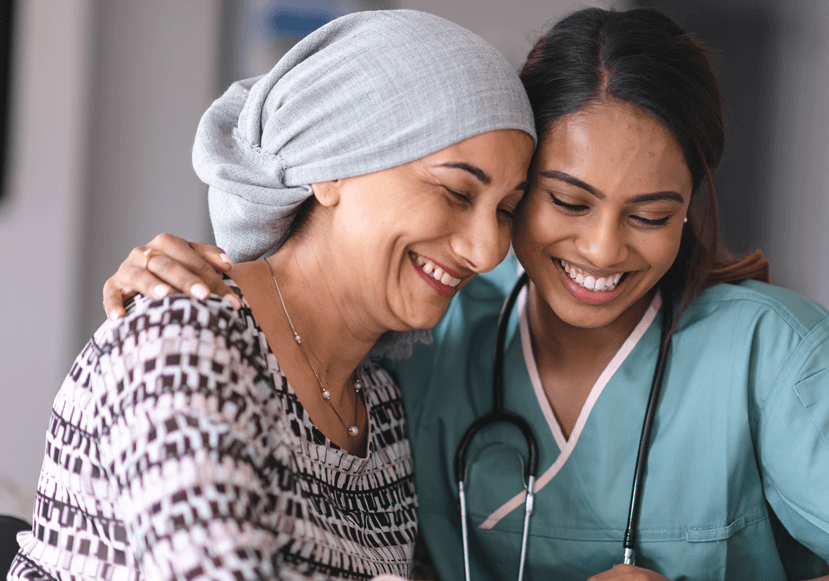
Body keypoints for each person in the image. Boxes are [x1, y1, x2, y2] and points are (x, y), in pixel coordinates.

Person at [98, 7, 829, 581]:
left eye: (651, 215)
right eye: (562, 201)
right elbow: (298, 320)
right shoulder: (429, 331)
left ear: (691, 211)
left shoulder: (771, 351)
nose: (601, 249)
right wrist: (203, 288)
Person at [9, 10, 535, 581]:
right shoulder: (185, 346)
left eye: (506, 210)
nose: (488, 251)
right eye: (457, 192)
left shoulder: (378, 404)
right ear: (332, 167)